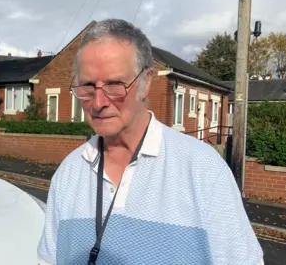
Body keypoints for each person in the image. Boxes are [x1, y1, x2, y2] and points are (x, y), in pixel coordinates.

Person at [37, 18, 264, 265]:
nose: (99, 102)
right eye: (88, 86)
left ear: (146, 82)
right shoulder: (68, 174)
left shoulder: (204, 171)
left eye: (115, 84)